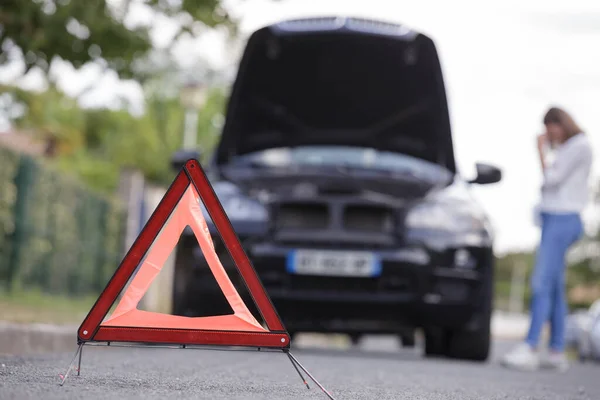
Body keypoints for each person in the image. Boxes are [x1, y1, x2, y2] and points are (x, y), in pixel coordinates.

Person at [501, 106, 593, 371]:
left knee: (540, 283)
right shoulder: (569, 148)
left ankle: (530, 346)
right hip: (555, 219)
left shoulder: (578, 145)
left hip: (563, 219)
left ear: (561, 123)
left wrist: (540, 151)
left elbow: (552, 180)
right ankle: (556, 350)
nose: (548, 133)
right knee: (554, 288)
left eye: (550, 127)